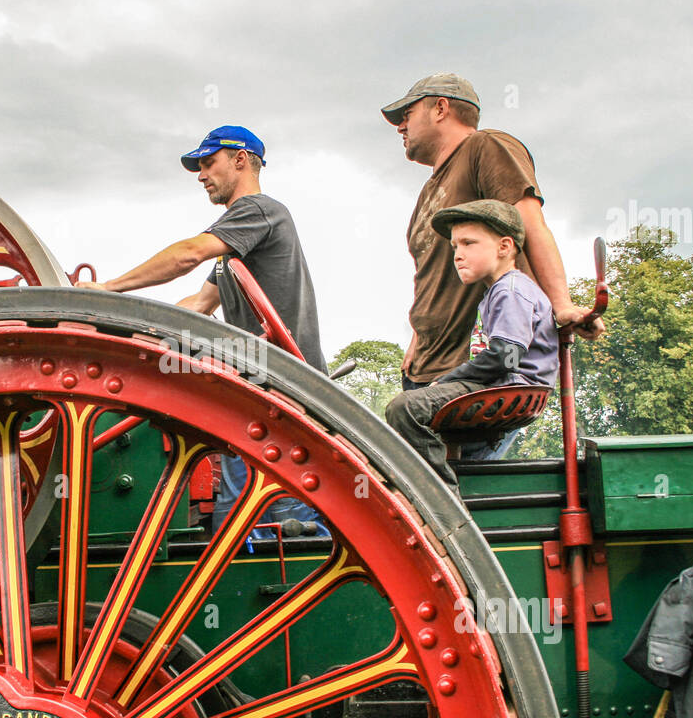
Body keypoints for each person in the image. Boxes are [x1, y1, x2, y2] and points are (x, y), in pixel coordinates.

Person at [75, 125, 327, 538]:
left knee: (279, 531)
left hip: (283, 395)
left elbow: (187, 254)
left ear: (241, 160)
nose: (200, 174)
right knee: (234, 524)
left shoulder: (259, 210)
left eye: (209, 163)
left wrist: (109, 290)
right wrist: (125, 330)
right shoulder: (237, 246)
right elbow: (197, 305)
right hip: (253, 391)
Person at [380, 72, 605, 458]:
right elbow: (430, 275)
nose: (400, 125)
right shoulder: (429, 192)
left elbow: (530, 224)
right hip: (427, 368)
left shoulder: (486, 147)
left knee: (451, 505)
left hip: (475, 370)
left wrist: (562, 304)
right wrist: (417, 340)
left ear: (440, 108)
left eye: (407, 112)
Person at [384, 200, 557, 497]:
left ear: (504, 247)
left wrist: (449, 379)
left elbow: (508, 355)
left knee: (406, 407)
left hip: (509, 387)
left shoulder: (511, 290)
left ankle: (440, 501)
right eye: (454, 247)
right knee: (416, 412)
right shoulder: (494, 293)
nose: (458, 255)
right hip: (501, 384)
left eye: (468, 243)